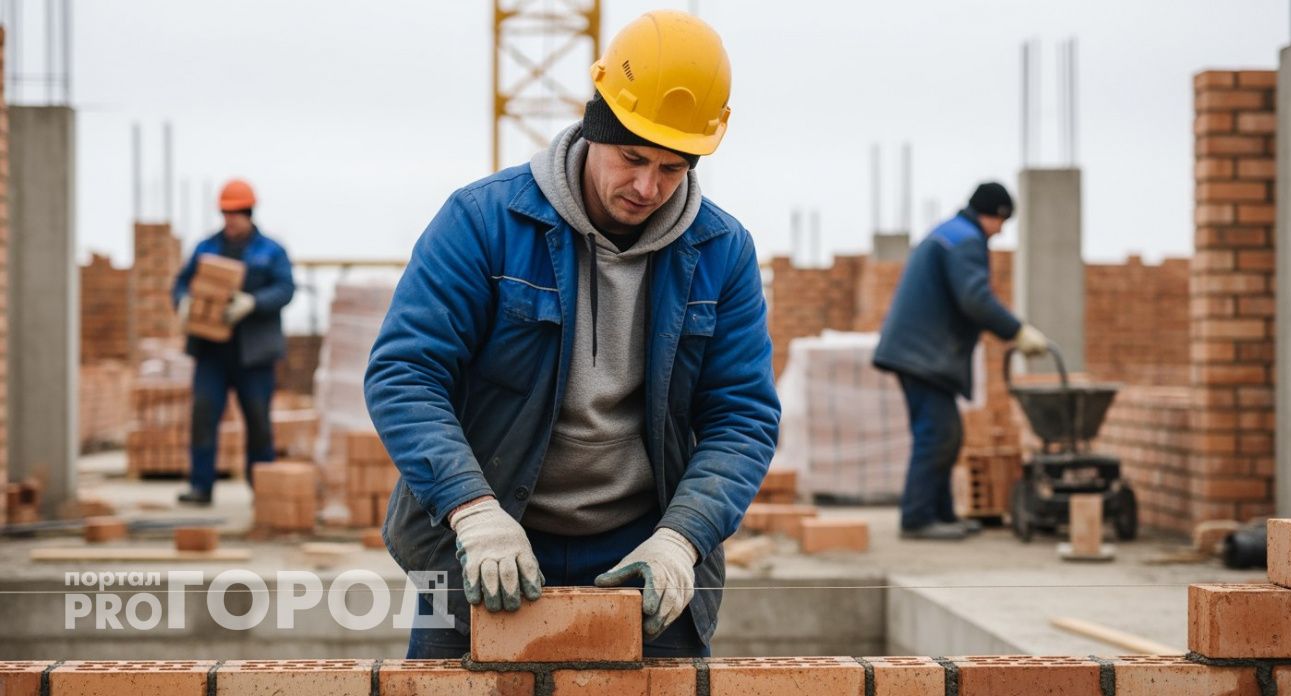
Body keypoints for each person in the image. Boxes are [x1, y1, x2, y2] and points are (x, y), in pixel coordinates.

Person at [364, 10, 779, 659]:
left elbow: (743, 417)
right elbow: (406, 374)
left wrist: (682, 540)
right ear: (594, 126)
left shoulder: (721, 252)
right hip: (488, 539)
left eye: (672, 169)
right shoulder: (483, 222)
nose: (647, 187)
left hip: (640, 553)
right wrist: (471, 511)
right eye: (633, 157)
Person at [873, 182, 1049, 540]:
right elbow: (976, 298)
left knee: (944, 434)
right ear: (994, 215)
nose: (1000, 232)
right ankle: (918, 519)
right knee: (937, 434)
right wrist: (1017, 331)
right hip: (923, 354)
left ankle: (941, 515)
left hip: (917, 351)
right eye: (1002, 223)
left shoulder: (950, 233)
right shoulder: (966, 240)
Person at [173, 179, 295, 505]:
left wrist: (252, 302)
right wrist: (183, 301)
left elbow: (285, 289)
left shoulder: (271, 250)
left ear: (249, 213)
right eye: (226, 213)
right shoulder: (205, 248)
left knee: (257, 421)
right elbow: (182, 284)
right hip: (211, 351)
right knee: (203, 415)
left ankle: (262, 489)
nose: (230, 219)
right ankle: (201, 487)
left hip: (253, 355)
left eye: (236, 213)